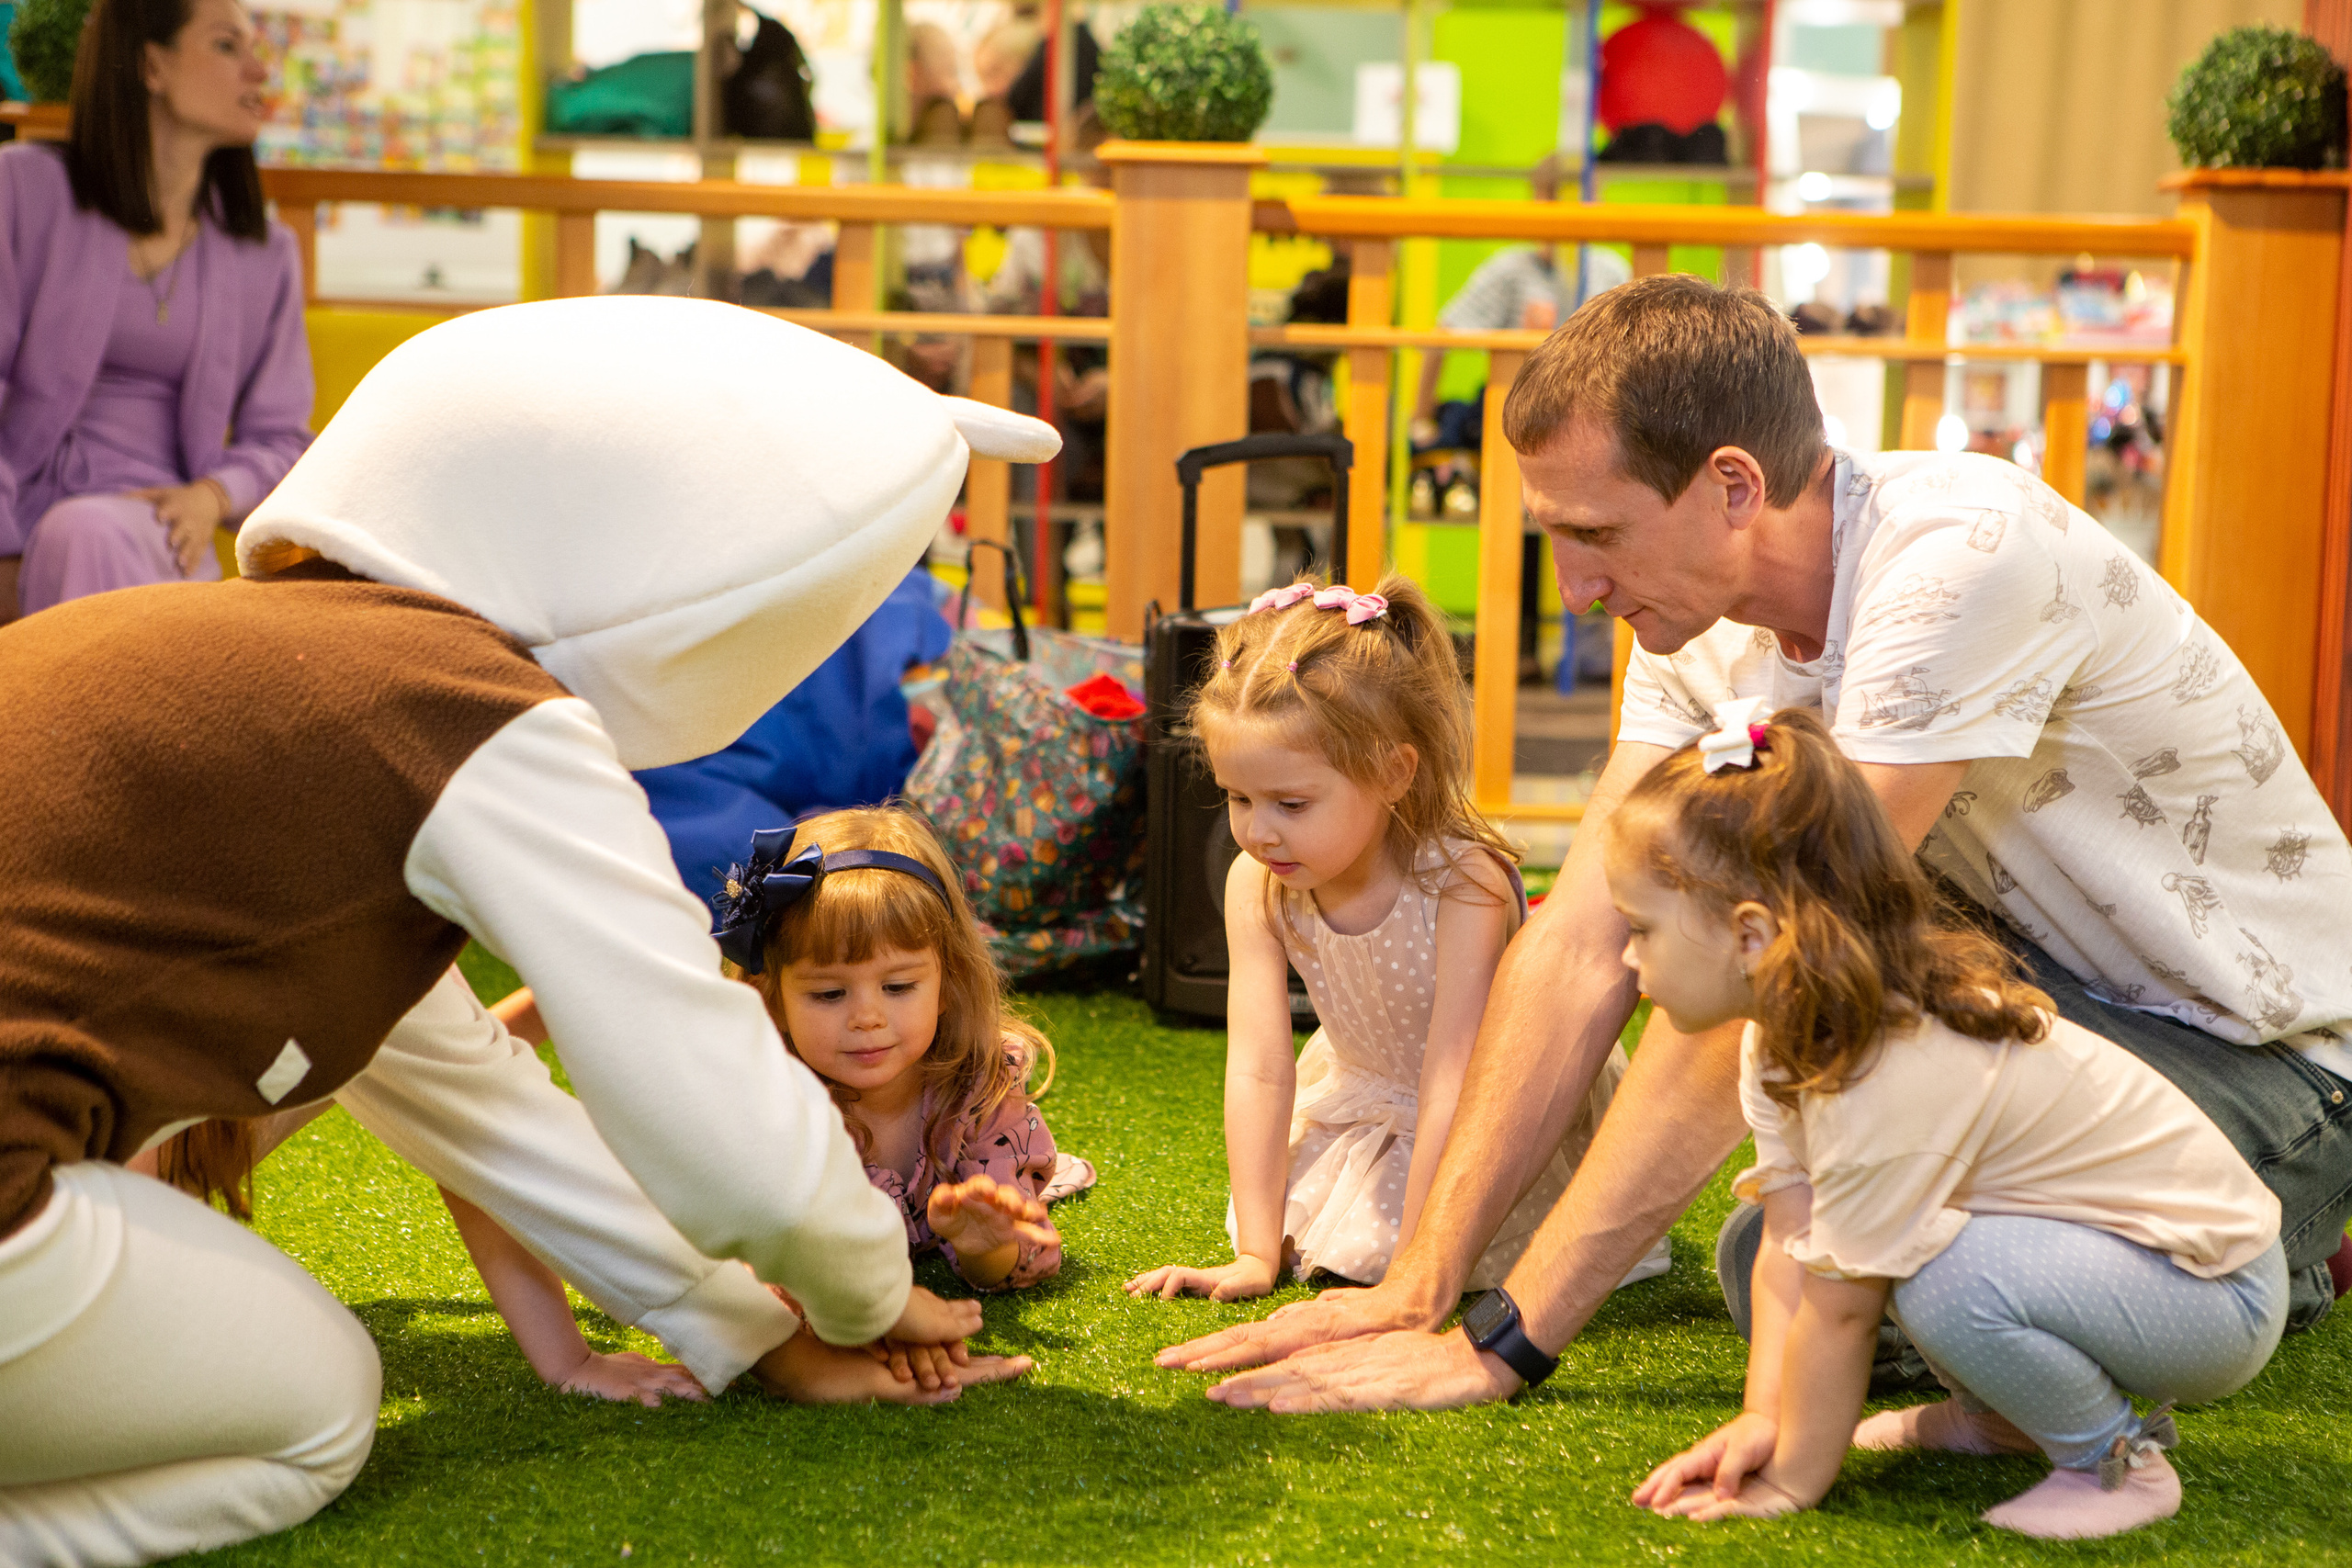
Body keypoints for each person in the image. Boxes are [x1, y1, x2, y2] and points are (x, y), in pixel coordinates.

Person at [1161, 274, 2352, 1416]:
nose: (1574, 587)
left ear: (1733, 485)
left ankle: (2271, 1245)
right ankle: (2163, 1256)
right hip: (2029, 1012)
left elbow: (1776, 961)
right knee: (1771, 1264)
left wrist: (1504, 1340)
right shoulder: (1693, 624)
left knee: (1901, 1272)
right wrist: (1415, 1287)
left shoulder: (1956, 558)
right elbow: (1578, 940)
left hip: (2264, 1057)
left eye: (1597, 532)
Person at [0, 297, 1063, 1565]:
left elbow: (460, 1081)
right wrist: (868, 1292)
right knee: (315, 1406)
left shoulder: (206, 644)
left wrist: (751, 1328)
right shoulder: (472, 709)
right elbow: (690, 1069)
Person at [1616, 704, 2282, 1540]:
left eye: (1640, 929)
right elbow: (1791, 1236)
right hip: (2139, 1261)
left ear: (1751, 934)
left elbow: (1843, 1307)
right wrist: (1763, 1418)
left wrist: (1791, 1475)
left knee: (1937, 1275)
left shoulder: (1886, 1066)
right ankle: (2002, 1420)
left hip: (2217, 1293)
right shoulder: (1779, 1039)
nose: (1628, 955)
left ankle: (2116, 1464)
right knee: (1906, 1245)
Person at [1125, 577, 1665, 1303]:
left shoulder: (1462, 886)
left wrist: (1412, 1272)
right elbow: (1258, 1067)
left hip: (1487, 1113)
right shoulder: (1257, 882)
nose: (1259, 831)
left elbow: (1454, 1082)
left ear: (1392, 773)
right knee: (1308, 1231)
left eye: (1291, 803)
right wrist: (1255, 1252)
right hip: (1364, 1093)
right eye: (1238, 797)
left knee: (1413, 1250)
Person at [0, 0, 312, 620]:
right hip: (18, 530)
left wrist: (211, 496)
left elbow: (283, 439)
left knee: (86, 532)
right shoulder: (21, 190)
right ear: (151, 66)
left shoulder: (267, 254)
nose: (259, 71)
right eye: (227, 45)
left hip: (164, 537)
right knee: (79, 532)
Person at [711, 805, 1096, 1302]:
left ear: (948, 984)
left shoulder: (981, 1087)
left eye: (897, 986)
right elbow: (754, 1274)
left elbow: (1012, 1264)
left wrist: (983, 1244)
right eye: (829, 993)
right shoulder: (766, 1103)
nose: (867, 1018)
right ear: (773, 1000)